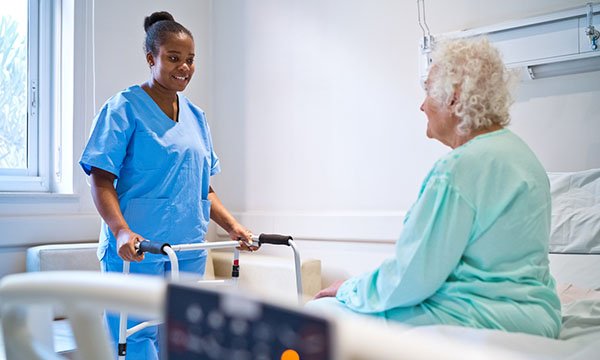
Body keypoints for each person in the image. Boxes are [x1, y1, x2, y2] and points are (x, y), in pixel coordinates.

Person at [308, 37, 562, 338]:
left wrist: (348, 288)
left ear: (454, 98)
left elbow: (411, 278)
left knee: (318, 316)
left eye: (427, 90)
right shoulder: (523, 156)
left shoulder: (458, 169)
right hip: (539, 318)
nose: (422, 105)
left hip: (484, 315)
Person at [79, 11, 254, 359]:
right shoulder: (123, 108)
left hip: (187, 248)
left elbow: (203, 187)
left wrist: (234, 227)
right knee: (133, 338)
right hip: (138, 248)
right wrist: (122, 232)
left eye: (190, 60)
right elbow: (100, 179)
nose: (184, 67)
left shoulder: (197, 117)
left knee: (182, 338)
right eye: (174, 58)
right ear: (151, 58)